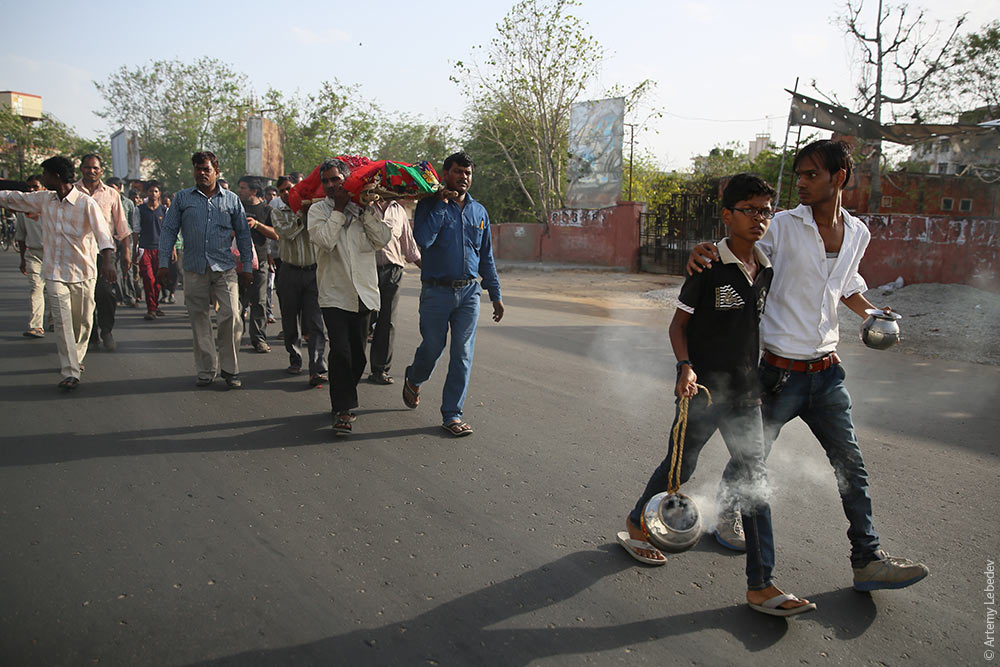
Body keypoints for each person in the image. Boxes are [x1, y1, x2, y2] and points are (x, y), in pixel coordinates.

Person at [688, 140, 929, 592]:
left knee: (850, 466)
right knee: (751, 458)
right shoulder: (781, 225)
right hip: (777, 374)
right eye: (799, 174)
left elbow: (847, 283)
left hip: (827, 372)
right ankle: (725, 515)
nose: (801, 182)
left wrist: (873, 313)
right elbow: (740, 245)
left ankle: (867, 558)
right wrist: (704, 252)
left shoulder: (858, 233)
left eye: (811, 174)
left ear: (838, 178)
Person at [620, 174, 814, 617]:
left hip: (747, 393)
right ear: (727, 215)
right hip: (703, 390)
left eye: (766, 210)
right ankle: (637, 521)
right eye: (750, 210)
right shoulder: (707, 266)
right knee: (680, 464)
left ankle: (761, 584)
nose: (760, 219)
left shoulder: (765, 267)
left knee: (754, 482)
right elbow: (678, 326)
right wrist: (684, 368)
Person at [402, 151, 504, 437]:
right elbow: (423, 240)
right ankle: (415, 376)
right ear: (446, 174)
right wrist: (441, 203)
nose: (464, 177)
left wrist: (494, 293)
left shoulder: (479, 211)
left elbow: (486, 257)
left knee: (462, 354)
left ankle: (452, 414)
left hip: (469, 293)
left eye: (468, 173)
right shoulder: (428, 206)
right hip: (436, 292)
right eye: (458, 171)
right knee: (433, 347)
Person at [0, 156, 116, 390]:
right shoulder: (44, 200)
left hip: (83, 272)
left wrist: (108, 263)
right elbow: (15, 198)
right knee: (62, 324)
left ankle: (76, 358)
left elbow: (103, 235)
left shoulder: (86, 203)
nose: (43, 180)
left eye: (46, 175)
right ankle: (71, 370)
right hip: (54, 272)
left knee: (83, 322)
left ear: (57, 176)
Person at [309, 158, 392, 435]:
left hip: (364, 294)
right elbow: (324, 241)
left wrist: (366, 211)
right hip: (334, 294)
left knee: (358, 357)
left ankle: (344, 394)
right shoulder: (318, 211)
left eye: (336, 180)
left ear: (348, 180)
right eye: (327, 181)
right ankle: (343, 408)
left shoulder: (364, 209)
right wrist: (339, 211)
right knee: (341, 353)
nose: (332, 185)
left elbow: (382, 240)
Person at [157, 151, 253, 389]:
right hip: (194, 267)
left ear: (216, 172)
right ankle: (206, 369)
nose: (201, 173)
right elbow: (169, 230)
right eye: (197, 169)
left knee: (231, 315)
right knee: (199, 318)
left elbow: (242, 233)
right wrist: (162, 262)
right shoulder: (182, 198)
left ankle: (230, 369)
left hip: (225, 267)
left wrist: (248, 265)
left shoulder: (231, 199)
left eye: (206, 169)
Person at [272, 175, 327, 386]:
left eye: (290, 189)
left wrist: (308, 210)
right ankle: (295, 357)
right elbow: (287, 232)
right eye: (282, 191)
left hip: (313, 272)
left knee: (315, 321)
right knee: (289, 319)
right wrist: (301, 214)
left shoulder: (317, 208)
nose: (286, 193)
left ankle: (317, 368)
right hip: (289, 271)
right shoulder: (277, 212)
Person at [75, 154, 131, 352]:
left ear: (101, 171)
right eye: (87, 167)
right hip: (79, 252)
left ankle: (106, 330)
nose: (91, 171)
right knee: (84, 295)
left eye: (95, 168)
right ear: (81, 169)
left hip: (105, 253)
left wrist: (126, 253)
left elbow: (121, 226)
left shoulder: (111, 194)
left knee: (105, 293)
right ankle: (89, 335)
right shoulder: (73, 192)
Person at [368, 200, 421, 385]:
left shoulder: (399, 210)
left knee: (387, 321)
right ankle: (353, 366)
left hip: (393, 271)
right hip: (366, 271)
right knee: (362, 320)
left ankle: (380, 369)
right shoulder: (362, 204)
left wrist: (429, 272)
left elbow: (409, 247)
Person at [237, 176, 278, 353]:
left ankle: (259, 339)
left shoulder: (266, 210)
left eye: (243, 188)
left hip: (259, 262)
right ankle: (235, 337)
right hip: (237, 262)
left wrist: (257, 225)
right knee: (237, 303)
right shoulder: (235, 207)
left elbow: (276, 234)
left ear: (254, 191)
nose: (240, 191)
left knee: (259, 302)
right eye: (239, 187)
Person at [13, 175, 49, 338]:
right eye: (29, 187)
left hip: (54, 254)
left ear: (43, 187)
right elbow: (21, 237)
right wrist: (22, 260)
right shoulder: (23, 210)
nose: (31, 190)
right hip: (34, 253)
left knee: (55, 291)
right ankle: (35, 325)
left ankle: (55, 320)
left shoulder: (52, 206)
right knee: (36, 288)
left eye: (35, 186)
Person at [134, 181, 169, 320]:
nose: (153, 194)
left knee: (158, 280)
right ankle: (151, 308)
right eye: (150, 191)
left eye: (155, 191)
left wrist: (171, 248)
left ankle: (154, 305)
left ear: (159, 193)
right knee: (148, 279)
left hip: (160, 249)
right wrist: (134, 249)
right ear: (146, 193)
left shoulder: (164, 210)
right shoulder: (140, 210)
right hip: (144, 248)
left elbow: (168, 230)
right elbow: (136, 230)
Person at [106, 176, 139, 307]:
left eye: (113, 189)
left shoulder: (128, 203)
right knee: (115, 270)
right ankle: (119, 296)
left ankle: (130, 295)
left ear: (119, 189)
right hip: (110, 238)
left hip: (126, 238)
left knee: (127, 268)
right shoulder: (104, 201)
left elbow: (131, 223)